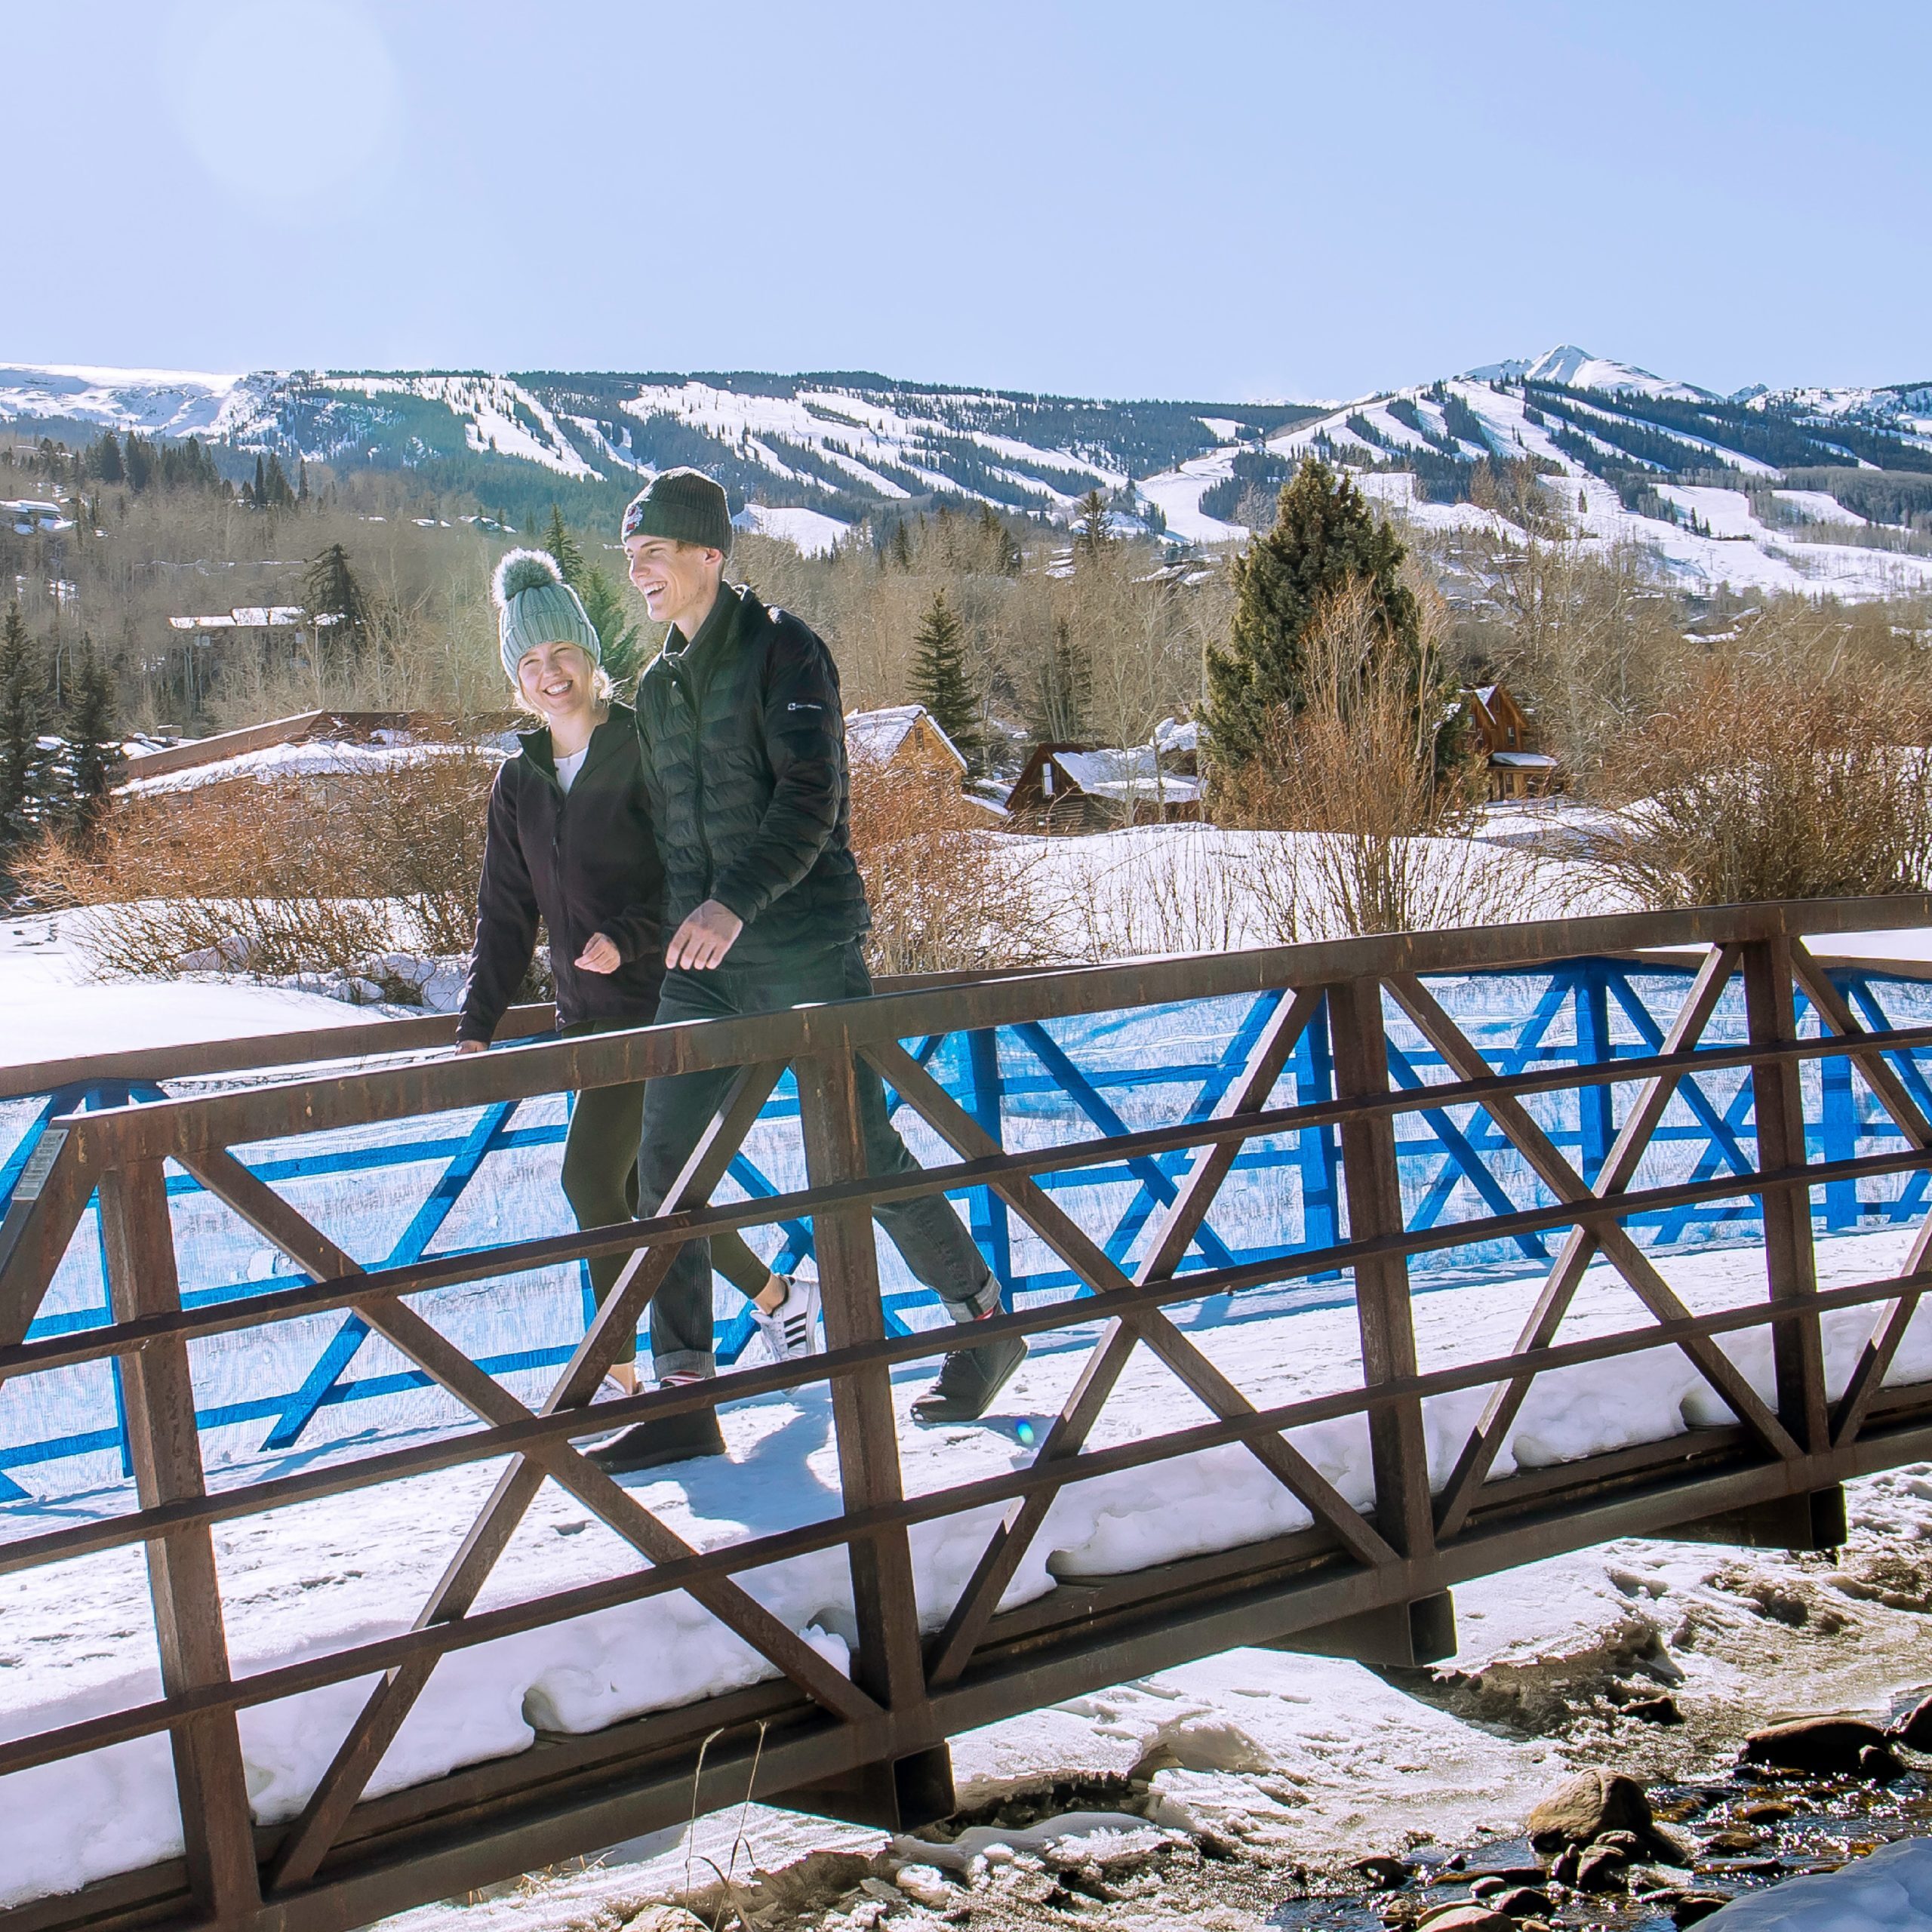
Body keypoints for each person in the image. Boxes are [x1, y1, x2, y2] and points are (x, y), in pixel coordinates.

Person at [585, 469, 1024, 1476]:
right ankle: (687, 1393)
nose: (639, 571)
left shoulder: (787, 648)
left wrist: (733, 903)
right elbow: (672, 849)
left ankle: (983, 1320)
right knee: (667, 1162)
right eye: (631, 556)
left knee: (860, 1152)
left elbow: (811, 799)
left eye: (654, 551)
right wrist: (637, 930)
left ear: (709, 553)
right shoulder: (655, 689)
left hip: (802, 943)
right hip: (705, 965)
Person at [455, 547, 822, 1399]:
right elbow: (504, 915)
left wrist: (628, 936)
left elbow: (687, 874)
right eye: (532, 664)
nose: (551, 676)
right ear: (518, 681)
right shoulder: (519, 783)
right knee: (645, 1193)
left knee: (589, 1179)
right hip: (583, 1018)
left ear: (591, 659)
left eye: (564, 656)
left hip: (665, 1002)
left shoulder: (641, 746)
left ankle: (620, 1374)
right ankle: (778, 1296)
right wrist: (475, 1026)